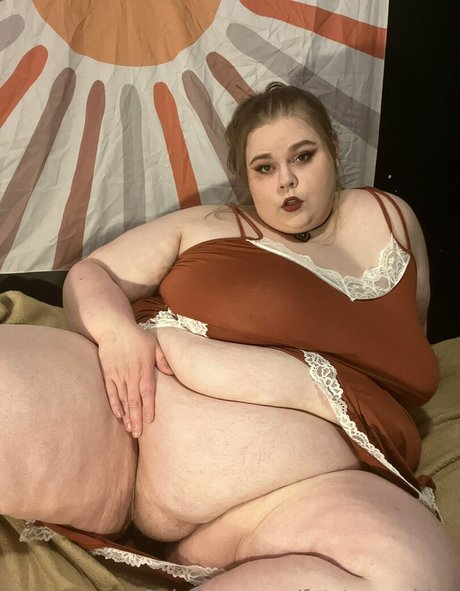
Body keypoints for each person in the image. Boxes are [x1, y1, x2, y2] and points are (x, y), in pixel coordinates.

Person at [1, 83, 459, 590]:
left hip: (291, 497)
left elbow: (413, 338)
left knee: (409, 576)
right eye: (264, 168)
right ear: (246, 178)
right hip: (120, 411)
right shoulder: (208, 224)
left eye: (302, 157)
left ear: (333, 148)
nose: (286, 181)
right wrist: (117, 336)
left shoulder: (390, 219)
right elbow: (93, 273)